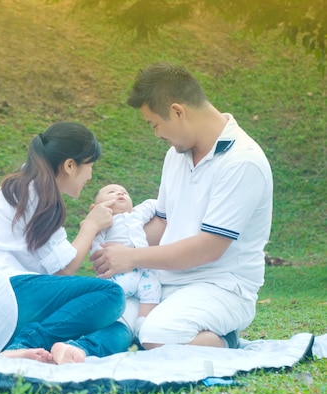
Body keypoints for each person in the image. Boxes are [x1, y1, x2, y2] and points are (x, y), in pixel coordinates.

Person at [91, 63, 273, 350]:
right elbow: (164, 224)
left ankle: (226, 340)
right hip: (168, 280)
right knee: (107, 318)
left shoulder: (242, 161)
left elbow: (209, 246)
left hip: (223, 287)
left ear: (177, 111)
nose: (156, 134)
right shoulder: (176, 156)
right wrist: (113, 238)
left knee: (155, 335)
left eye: (155, 124)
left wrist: (133, 257)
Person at [0, 122, 133, 365]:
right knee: (111, 294)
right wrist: (91, 226)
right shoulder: (36, 191)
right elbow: (64, 269)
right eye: (89, 166)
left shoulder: (28, 186)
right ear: (69, 165)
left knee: (120, 331)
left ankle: (73, 350)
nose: (90, 175)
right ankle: (23, 344)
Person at [90, 183, 161, 335]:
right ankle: (100, 323)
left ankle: (143, 322)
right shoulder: (104, 223)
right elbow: (95, 244)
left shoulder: (137, 214)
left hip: (143, 271)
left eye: (124, 192)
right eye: (111, 192)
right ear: (97, 206)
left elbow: (153, 204)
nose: (120, 194)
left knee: (154, 289)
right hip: (117, 274)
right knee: (107, 296)